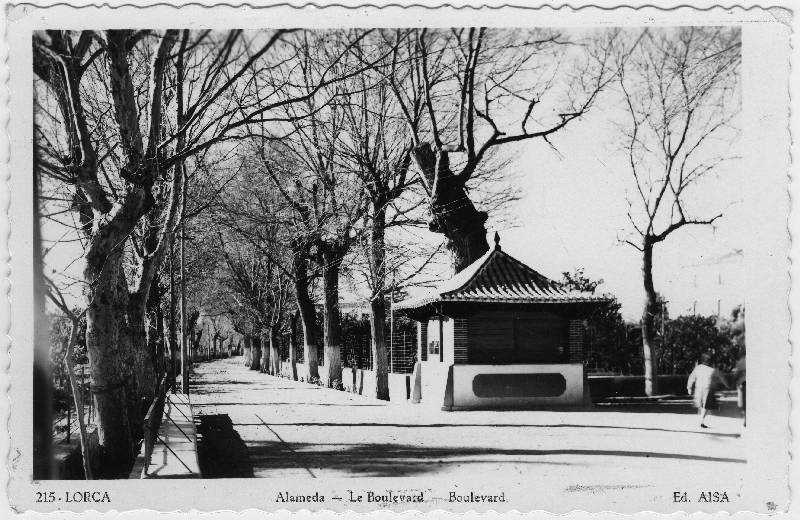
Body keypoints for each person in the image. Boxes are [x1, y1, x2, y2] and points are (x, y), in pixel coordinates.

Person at [686, 352, 727, 428]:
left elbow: (691, 377)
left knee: (701, 405)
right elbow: (721, 378)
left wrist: (689, 387)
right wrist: (727, 385)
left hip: (699, 388)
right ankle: (701, 420)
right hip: (708, 389)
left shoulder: (698, 368)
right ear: (709, 361)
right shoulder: (713, 370)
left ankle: (700, 420)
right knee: (705, 406)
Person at [732, 354, 746, 427]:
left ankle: (746, 419)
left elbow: (736, 374)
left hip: (744, 383)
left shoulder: (742, 361)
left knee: (744, 402)